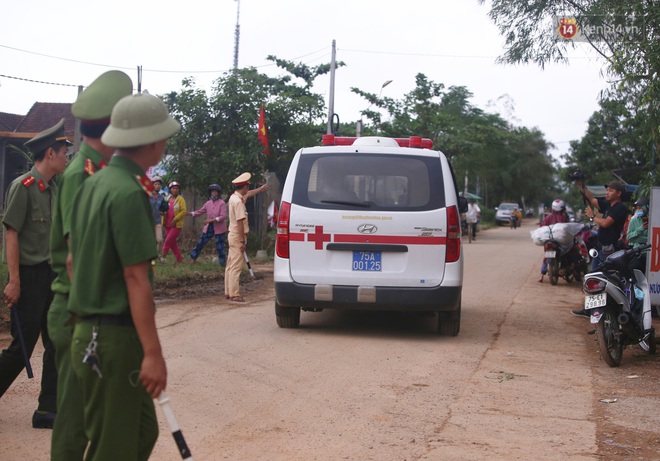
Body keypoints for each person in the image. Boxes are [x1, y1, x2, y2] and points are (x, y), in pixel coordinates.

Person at [67, 92, 180, 460]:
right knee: (114, 450)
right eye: (162, 134)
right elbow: (136, 278)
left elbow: (73, 259)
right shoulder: (129, 192)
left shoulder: (92, 185)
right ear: (149, 140)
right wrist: (153, 353)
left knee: (142, 432)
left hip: (94, 332)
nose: (165, 141)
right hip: (111, 338)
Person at [48, 70, 132, 459]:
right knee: (74, 419)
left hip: (88, 309)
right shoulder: (78, 174)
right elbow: (74, 255)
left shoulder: (98, 169)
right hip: (76, 307)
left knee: (98, 417)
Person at [0, 118, 70, 428]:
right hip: (28, 278)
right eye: (64, 151)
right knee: (23, 346)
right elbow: (11, 233)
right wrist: (14, 280)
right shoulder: (23, 187)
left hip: (51, 276)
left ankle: (46, 410)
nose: (67, 157)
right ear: (50, 154)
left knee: (55, 341)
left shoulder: (55, 189)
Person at [571, 179, 629, 317]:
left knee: (603, 280)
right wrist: (581, 184)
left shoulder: (620, 208)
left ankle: (604, 310)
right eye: (607, 190)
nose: (607, 192)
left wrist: (592, 217)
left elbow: (606, 223)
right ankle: (590, 309)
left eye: (610, 190)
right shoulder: (608, 206)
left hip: (609, 250)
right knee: (592, 277)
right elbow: (591, 199)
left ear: (619, 193)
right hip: (600, 249)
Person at [224, 173, 268, 302]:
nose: (248, 189)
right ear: (244, 187)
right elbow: (240, 222)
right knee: (236, 266)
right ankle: (234, 294)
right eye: (247, 187)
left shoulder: (235, 197)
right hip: (238, 236)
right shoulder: (238, 202)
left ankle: (229, 291)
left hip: (232, 234)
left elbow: (249, 194)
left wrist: (260, 189)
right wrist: (243, 240)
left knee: (230, 265)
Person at [188, 183, 227, 265]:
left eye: (216, 192)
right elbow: (200, 211)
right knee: (201, 242)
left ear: (218, 193)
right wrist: (189, 214)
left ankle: (223, 264)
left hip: (219, 228)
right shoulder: (208, 203)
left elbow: (222, 216)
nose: (214, 193)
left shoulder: (222, 203)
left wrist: (211, 220)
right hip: (209, 227)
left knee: (220, 247)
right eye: (212, 192)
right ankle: (193, 258)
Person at [537, 199, 569, 283]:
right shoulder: (564, 218)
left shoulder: (548, 217)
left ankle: (541, 275)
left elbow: (542, 227)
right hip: (559, 242)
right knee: (565, 253)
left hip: (549, 241)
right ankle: (564, 267)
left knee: (545, 257)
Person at [162, 181, 186, 263]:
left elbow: (183, 211)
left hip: (176, 225)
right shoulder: (167, 198)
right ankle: (180, 259)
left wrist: (175, 219)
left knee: (168, 241)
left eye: (176, 188)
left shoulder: (180, 199)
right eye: (173, 188)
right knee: (173, 243)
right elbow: (163, 209)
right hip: (167, 224)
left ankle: (162, 257)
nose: (175, 190)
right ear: (170, 190)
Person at [626, 197, 650, 271]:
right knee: (633, 270)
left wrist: (637, 238)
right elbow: (629, 237)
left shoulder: (654, 219)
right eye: (637, 208)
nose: (638, 210)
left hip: (650, 253)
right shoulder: (633, 220)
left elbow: (652, 237)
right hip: (638, 252)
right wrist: (640, 229)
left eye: (640, 208)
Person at [149, 176, 168, 254]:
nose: (157, 186)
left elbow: (163, 208)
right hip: (148, 221)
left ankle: (159, 255)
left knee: (159, 239)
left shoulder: (161, 197)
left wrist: (162, 211)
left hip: (157, 221)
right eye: (155, 184)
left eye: (159, 184)